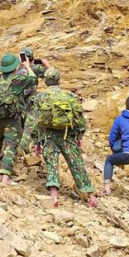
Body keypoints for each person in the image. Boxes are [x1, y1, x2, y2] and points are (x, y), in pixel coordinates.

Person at [34, 68, 96, 208]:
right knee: (77, 164)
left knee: (52, 164)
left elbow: (36, 121)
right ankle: (90, 196)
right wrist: (79, 136)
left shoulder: (40, 97)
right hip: (68, 135)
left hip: (49, 136)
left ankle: (54, 196)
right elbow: (80, 118)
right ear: (59, 80)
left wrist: (37, 140)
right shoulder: (69, 95)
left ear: (45, 81)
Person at [0, 54, 38, 185]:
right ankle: (5, 177)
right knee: (11, 145)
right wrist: (26, 66)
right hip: (11, 117)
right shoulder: (18, 79)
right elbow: (33, 79)